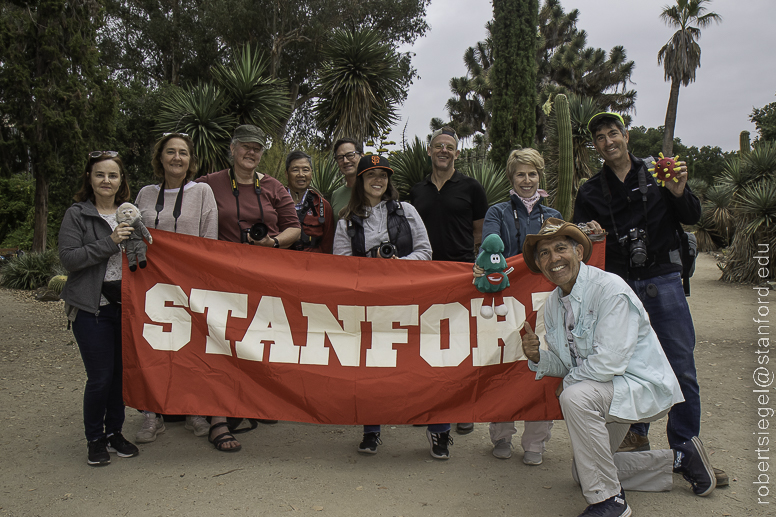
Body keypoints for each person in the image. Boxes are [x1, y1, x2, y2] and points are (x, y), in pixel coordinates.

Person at [521, 218, 715, 517]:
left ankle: (610, 501)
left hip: (638, 385)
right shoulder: (553, 305)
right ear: (539, 264)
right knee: (583, 473)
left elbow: (608, 362)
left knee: (574, 396)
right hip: (606, 390)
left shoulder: (609, 288)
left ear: (579, 252)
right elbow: (568, 364)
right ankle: (680, 459)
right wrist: (538, 357)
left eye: (560, 248)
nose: (553, 258)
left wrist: (569, 383)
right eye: (544, 253)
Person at [573, 112, 726, 486]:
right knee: (626, 366)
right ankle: (636, 433)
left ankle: (687, 449)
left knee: (680, 366)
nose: (609, 141)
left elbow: (692, 216)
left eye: (613, 133)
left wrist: (679, 190)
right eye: (601, 138)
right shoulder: (590, 191)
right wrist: (588, 232)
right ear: (596, 146)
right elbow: (579, 240)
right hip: (619, 288)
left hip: (663, 280)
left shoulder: (660, 173)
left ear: (626, 136)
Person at [333, 155, 454, 459]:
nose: (378, 180)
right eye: (371, 175)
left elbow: (425, 252)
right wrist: (371, 265)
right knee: (370, 368)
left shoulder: (406, 211)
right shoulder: (347, 220)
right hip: (370, 304)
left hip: (411, 300)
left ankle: (439, 430)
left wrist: (399, 264)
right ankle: (371, 430)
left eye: (383, 175)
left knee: (427, 365)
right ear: (360, 180)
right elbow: (340, 266)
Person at [134, 132, 219, 445]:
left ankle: (192, 409)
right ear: (160, 157)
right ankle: (151, 414)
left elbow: (209, 240)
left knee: (190, 347)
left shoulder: (202, 192)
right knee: (151, 347)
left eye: (183, 152)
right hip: (150, 285)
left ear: (191, 160)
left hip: (188, 283)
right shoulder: (145, 194)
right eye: (170, 152)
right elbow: (134, 236)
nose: (177, 158)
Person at [478, 148, 561, 464]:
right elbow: (490, 252)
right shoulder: (497, 212)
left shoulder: (552, 215)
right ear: (511, 178)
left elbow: (563, 254)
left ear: (540, 176)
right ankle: (501, 435)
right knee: (503, 366)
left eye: (532, 174)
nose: (527, 180)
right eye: (520, 174)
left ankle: (535, 442)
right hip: (505, 302)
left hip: (544, 303)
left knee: (542, 366)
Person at [59, 151, 140, 466]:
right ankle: (95, 438)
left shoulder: (130, 213)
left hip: (126, 308)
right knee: (100, 377)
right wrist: (110, 241)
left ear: (121, 180)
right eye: (100, 175)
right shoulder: (77, 214)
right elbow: (70, 259)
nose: (107, 180)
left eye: (113, 175)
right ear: (89, 179)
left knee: (120, 376)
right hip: (91, 308)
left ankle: (114, 432)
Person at [410, 126, 488, 435]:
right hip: (425, 275)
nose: (444, 150)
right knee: (426, 340)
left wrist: (469, 262)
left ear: (457, 153)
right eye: (438, 146)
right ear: (430, 151)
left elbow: (479, 232)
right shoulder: (417, 191)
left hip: (461, 273)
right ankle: (428, 406)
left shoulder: (472, 187)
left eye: (449, 147)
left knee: (460, 342)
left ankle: (462, 408)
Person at [196, 124, 301, 248]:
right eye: (246, 146)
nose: (251, 152)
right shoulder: (209, 183)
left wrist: (273, 242)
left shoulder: (274, 187)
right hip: (225, 257)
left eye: (257, 149)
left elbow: (294, 228)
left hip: (266, 257)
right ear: (233, 148)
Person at [284, 150, 335, 253]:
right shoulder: (276, 201)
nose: (301, 174)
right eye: (295, 170)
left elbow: (327, 244)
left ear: (311, 173)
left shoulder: (323, 205)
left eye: (305, 170)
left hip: (313, 261)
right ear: (286, 174)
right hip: (280, 260)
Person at [330, 138, 363, 218]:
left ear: (362, 156)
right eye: (340, 157)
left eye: (350, 155)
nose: (345, 161)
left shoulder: (372, 190)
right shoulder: (336, 195)